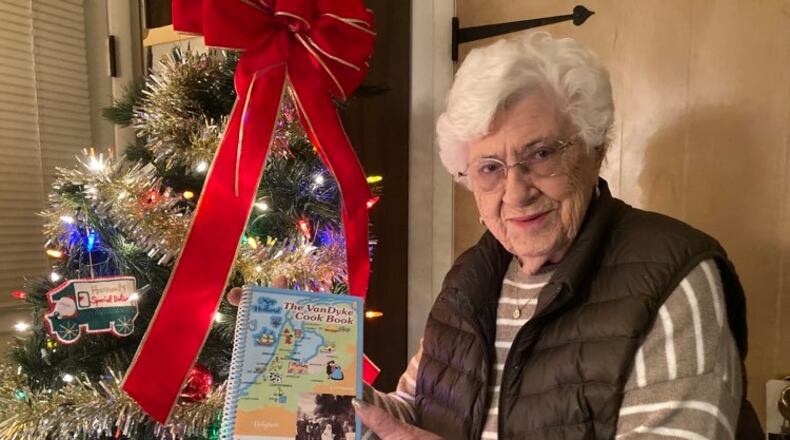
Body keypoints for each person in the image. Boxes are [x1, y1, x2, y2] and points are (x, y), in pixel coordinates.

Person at [228, 32, 763, 439]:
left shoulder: (672, 277)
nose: (516, 191)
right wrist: (301, 376)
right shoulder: (472, 277)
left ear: (595, 148)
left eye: (542, 154)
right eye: (488, 167)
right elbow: (414, 414)